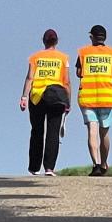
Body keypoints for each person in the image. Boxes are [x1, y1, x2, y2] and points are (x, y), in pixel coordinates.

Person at [20, 29, 71, 176]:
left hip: (37, 97)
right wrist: (68, 101)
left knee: (37, 131)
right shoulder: (63, 58)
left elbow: (30, 78)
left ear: (43, 41)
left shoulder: (35, 57)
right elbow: (66, 82)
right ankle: (49, 168)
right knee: (53, 132)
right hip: (57, 96)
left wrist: (24, 97)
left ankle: (34, 167)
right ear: (56, 41)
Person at [76, 25, 112, 176]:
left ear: (91, 37)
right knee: (104, 133)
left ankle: (95, 164)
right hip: (107, 97)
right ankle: (104, 163)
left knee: (92, 131)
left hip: (87, 97)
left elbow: (79, 72)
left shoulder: (83, 52)